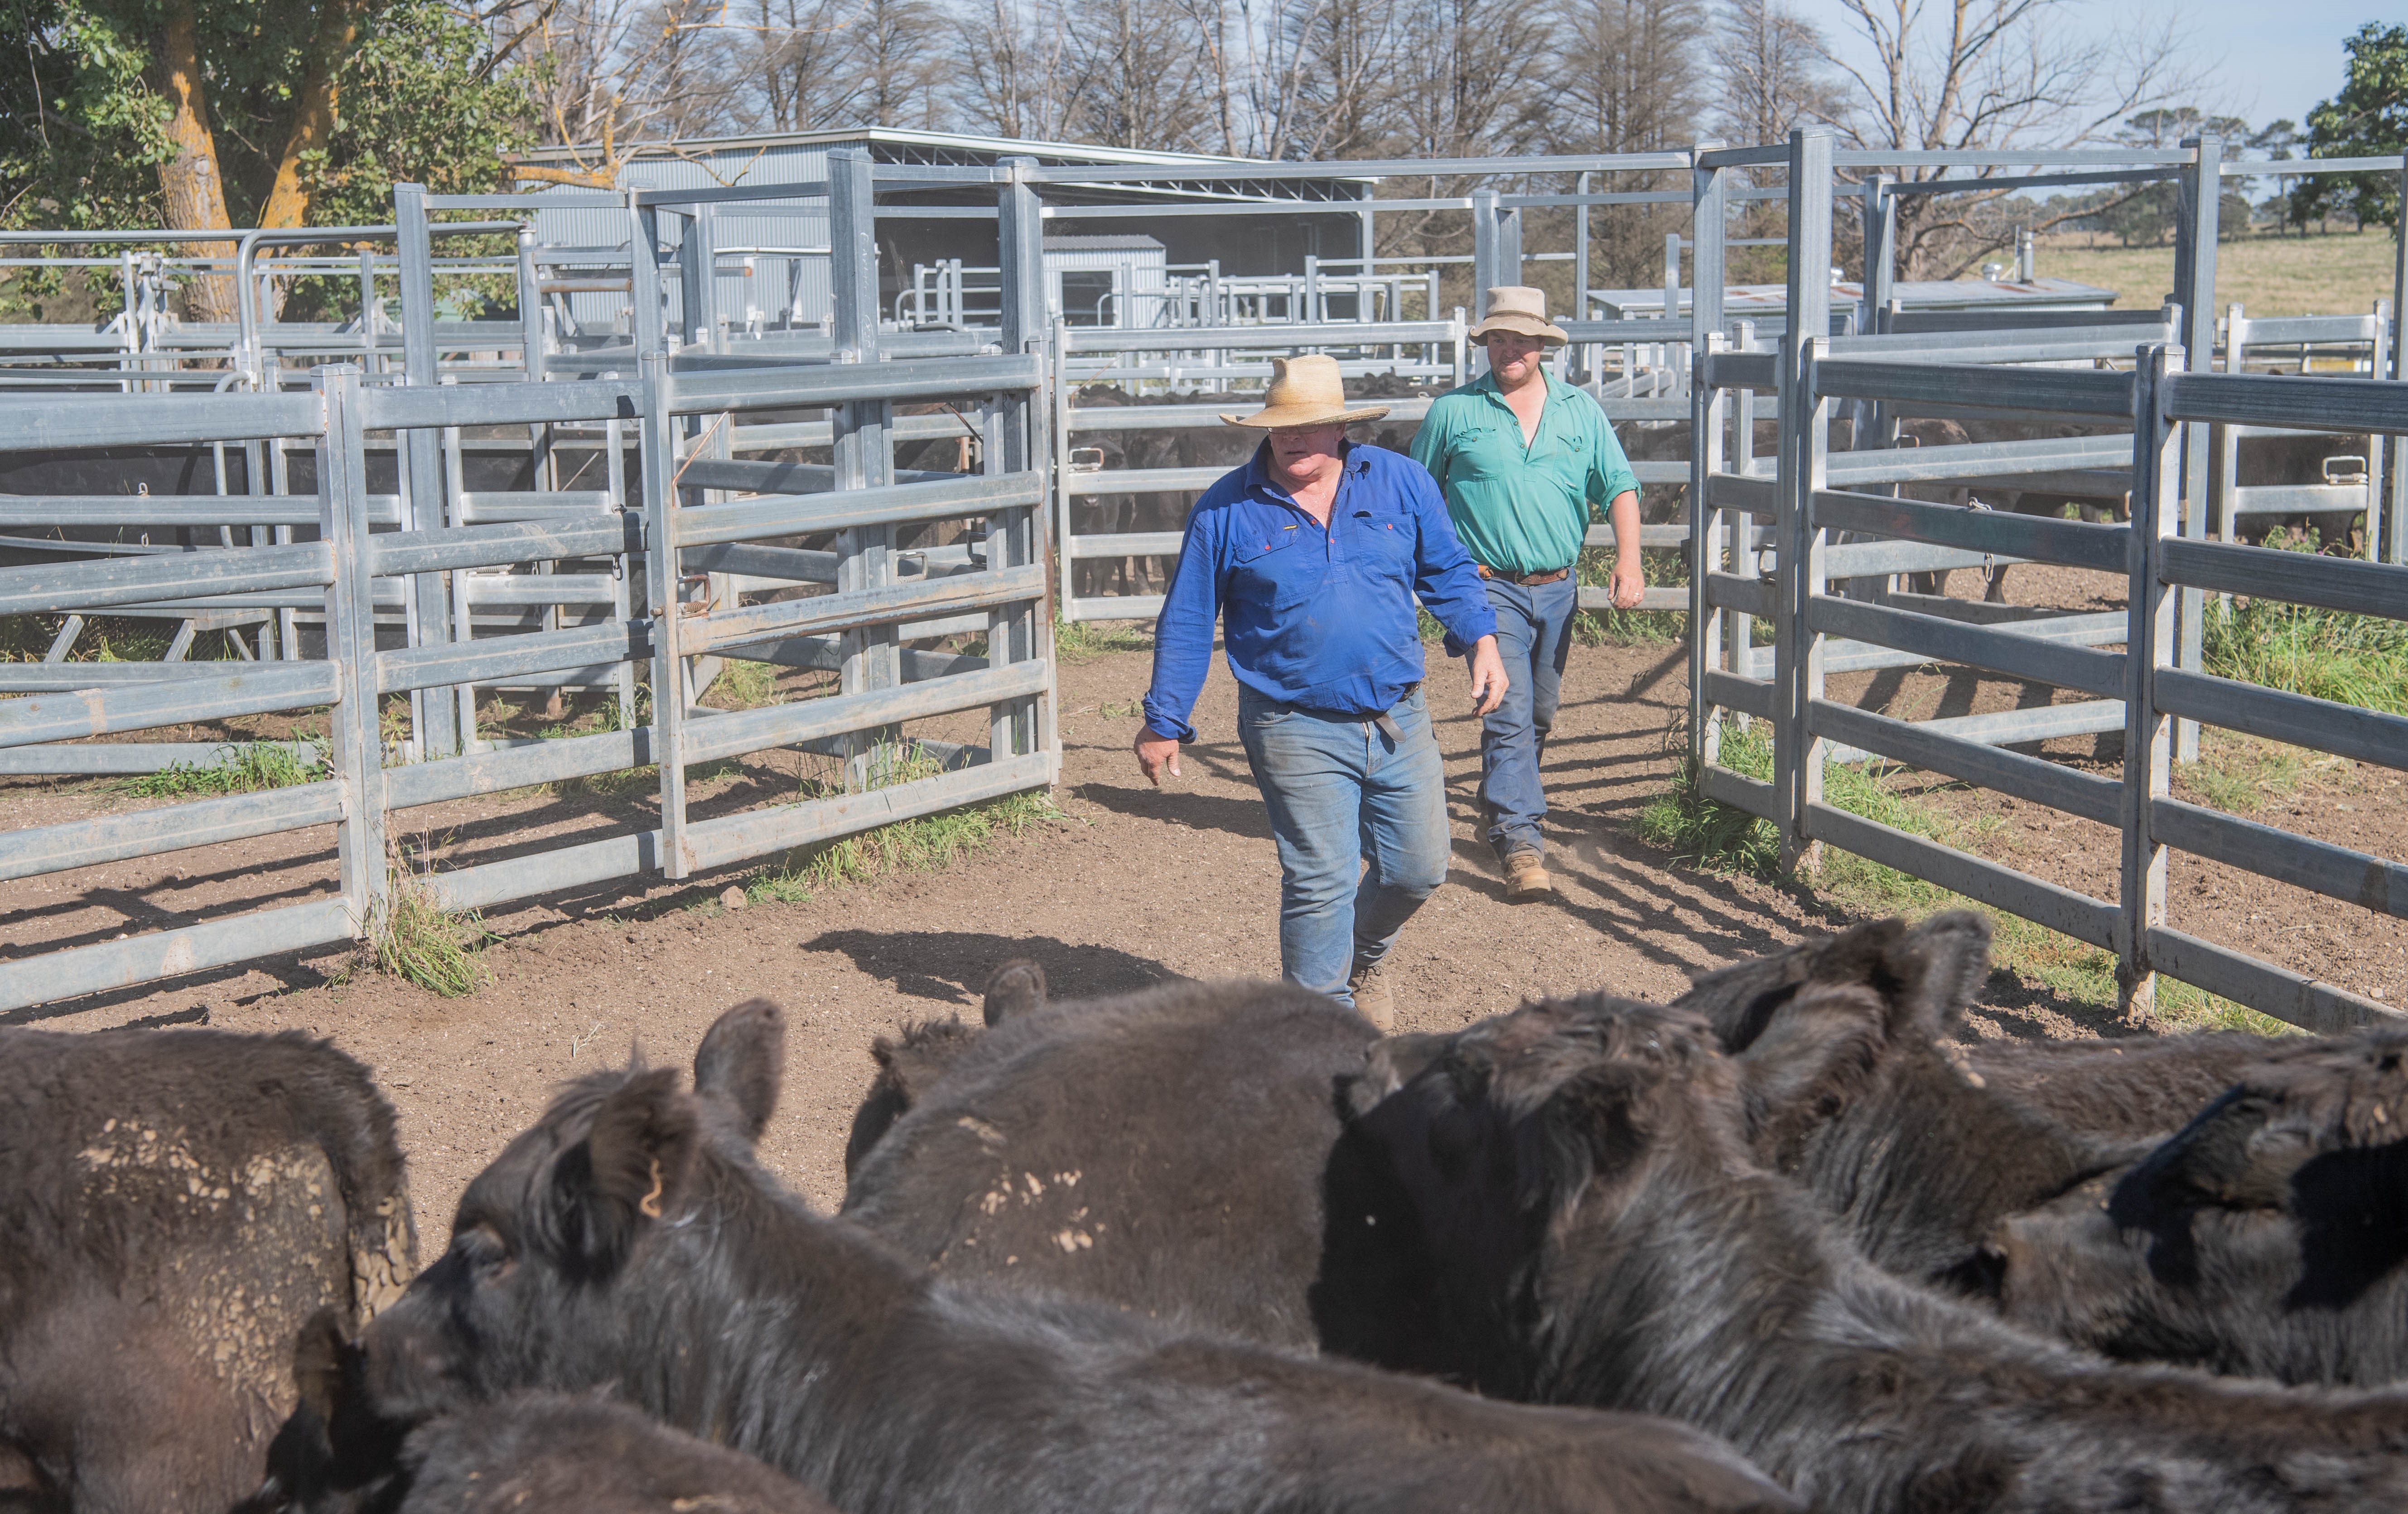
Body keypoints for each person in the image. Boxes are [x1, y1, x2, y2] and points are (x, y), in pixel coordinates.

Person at [1134, 354, 1507, 1030]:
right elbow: (1189, 617)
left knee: (1419, 868)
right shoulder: (1227, 510)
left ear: (1340, 427)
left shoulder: (1401, 483)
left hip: (1397, 711)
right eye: (1281, 428)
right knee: (1320, 880)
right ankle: (1317, 1029)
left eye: (1308, 426)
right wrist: (1165, 719)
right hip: (1291, 720)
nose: (1293, 439)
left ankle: (1361, 956)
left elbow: (1447, 568)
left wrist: (1481, 641)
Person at [1409, 285, 1642, 901]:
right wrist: (1438, 570)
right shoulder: (1453, 413)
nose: (1509, 348)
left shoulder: (1580, 411)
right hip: (1488, 588)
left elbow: (1618, 483)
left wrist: (1629, 558)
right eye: (1498, 337)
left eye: (1521, 338)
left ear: (1543, 345)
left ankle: (1501, 805)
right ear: (1485, 342)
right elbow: (1416, 496)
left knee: (1539, 711)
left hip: (1559, 587)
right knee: (1509, 710)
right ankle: (1521, 842)